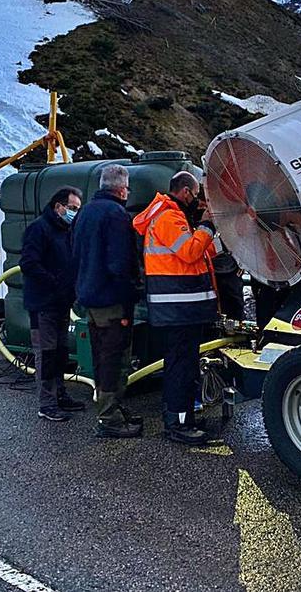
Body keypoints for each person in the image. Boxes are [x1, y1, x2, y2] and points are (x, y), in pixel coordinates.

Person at [132, 171, 218, 445]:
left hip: (181, 309)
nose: (197, 202)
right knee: (180, 366)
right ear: (185, 192)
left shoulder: (171, 216)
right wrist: (206, 227)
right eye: (195, 196)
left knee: (185, 364)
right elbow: (190, 252)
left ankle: (185, 417)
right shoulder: (169, 217)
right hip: (178, 309)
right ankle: (178, 423)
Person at [73, 165, 144, 438]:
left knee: (101, 356)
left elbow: (75, 255)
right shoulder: (116, 215)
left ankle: (110, 410)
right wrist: (132, 294)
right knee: (116, 359)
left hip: (89, 299)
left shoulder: (85, 212)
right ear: (122, 188)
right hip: (112, 301)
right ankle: (109, 418)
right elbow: (120, 264)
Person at [20, 186, 86, 422]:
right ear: (59, 207)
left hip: (61, 302)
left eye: (77, 209)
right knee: (47, 354)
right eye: (72, 208)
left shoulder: (66, 230)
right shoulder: (39, 229)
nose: (74, 213)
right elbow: (29, 263)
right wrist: (54, 283)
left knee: (60, 352)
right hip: (44, 304)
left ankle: (60, 394)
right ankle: (46, 403)